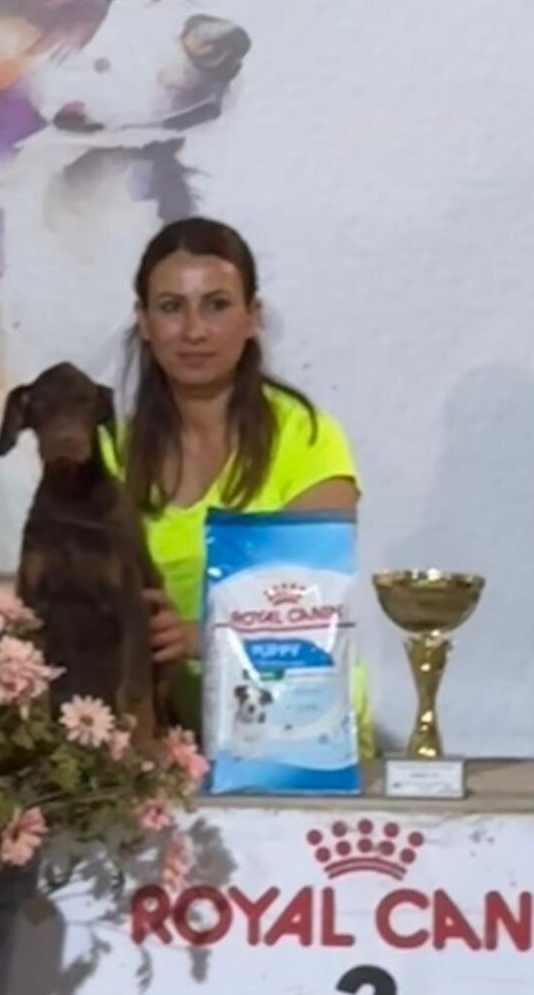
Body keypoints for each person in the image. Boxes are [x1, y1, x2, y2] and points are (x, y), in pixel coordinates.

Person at [106, 217, 360, 728]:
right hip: (163, 739)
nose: (194, 331)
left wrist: (201, 636)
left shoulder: (307, 437)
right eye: (171, 307)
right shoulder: (111, 452)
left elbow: (315, 609)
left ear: (252, 317)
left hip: (299, 731)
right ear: (144, 322)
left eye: (216, 305)